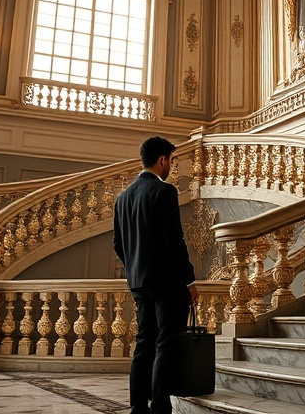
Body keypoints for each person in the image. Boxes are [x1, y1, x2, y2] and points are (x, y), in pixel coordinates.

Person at [114, 136, 198, 414]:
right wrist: (189, 279)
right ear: (162, 159)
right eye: (171, 161)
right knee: (165, 342)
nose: (170, 167)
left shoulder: (123, 198)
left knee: (143, 342)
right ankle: (161, 406)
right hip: (166, 282)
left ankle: (138, 406)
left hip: (138, 280)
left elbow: (118, 244)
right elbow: (174, 239)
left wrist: (135, 267)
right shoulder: (164, 191)